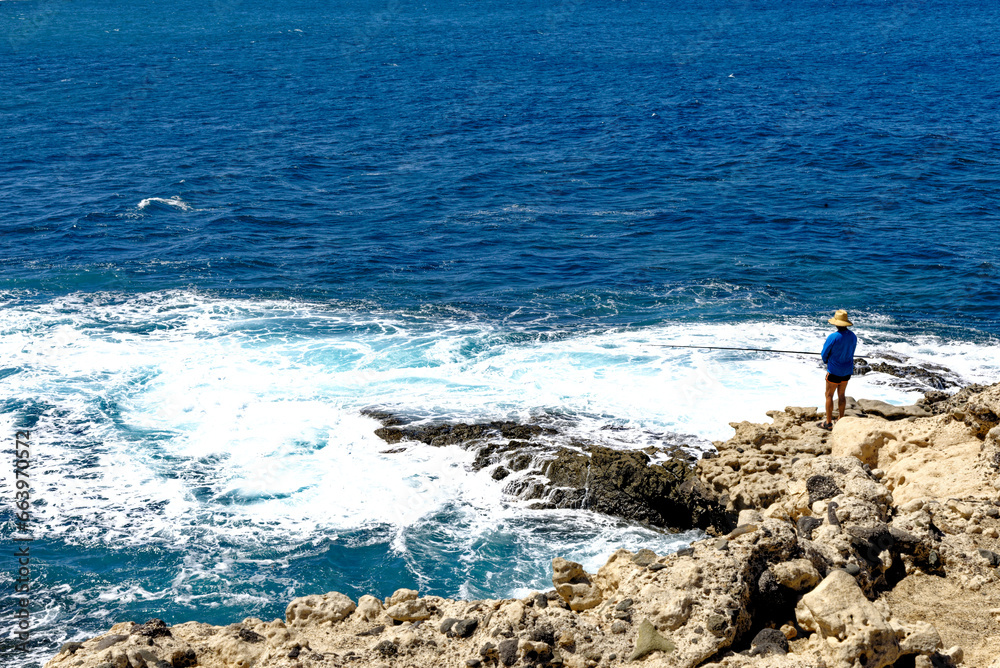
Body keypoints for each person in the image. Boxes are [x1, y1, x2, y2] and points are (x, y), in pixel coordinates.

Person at [818, 309, 857, 430]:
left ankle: (828, 423)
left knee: (829, 395)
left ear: (836, 323)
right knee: (841, 395)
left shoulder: (833, 337)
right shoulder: (853, 336)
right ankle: (841, 418)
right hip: (847, 370)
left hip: (834, 371)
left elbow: (824, 353)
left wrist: (826, 361)